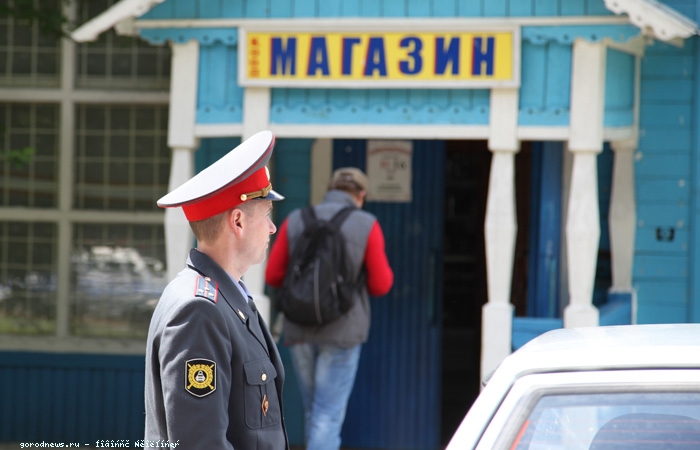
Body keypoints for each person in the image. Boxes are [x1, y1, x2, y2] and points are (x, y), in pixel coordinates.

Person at [144, 130, 288, 450]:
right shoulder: (199, 310)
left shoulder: (226, 298)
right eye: (267, 214)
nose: (272, 228)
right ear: (237, 221)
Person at [265, 167, 394, 450]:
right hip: (343, 331)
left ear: (329, 189)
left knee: (314, 409)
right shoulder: (367, 224)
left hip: (299, 328)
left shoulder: (297, 219)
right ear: (361, 195)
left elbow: (273, 276)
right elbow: (381, 285)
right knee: (327, 414)